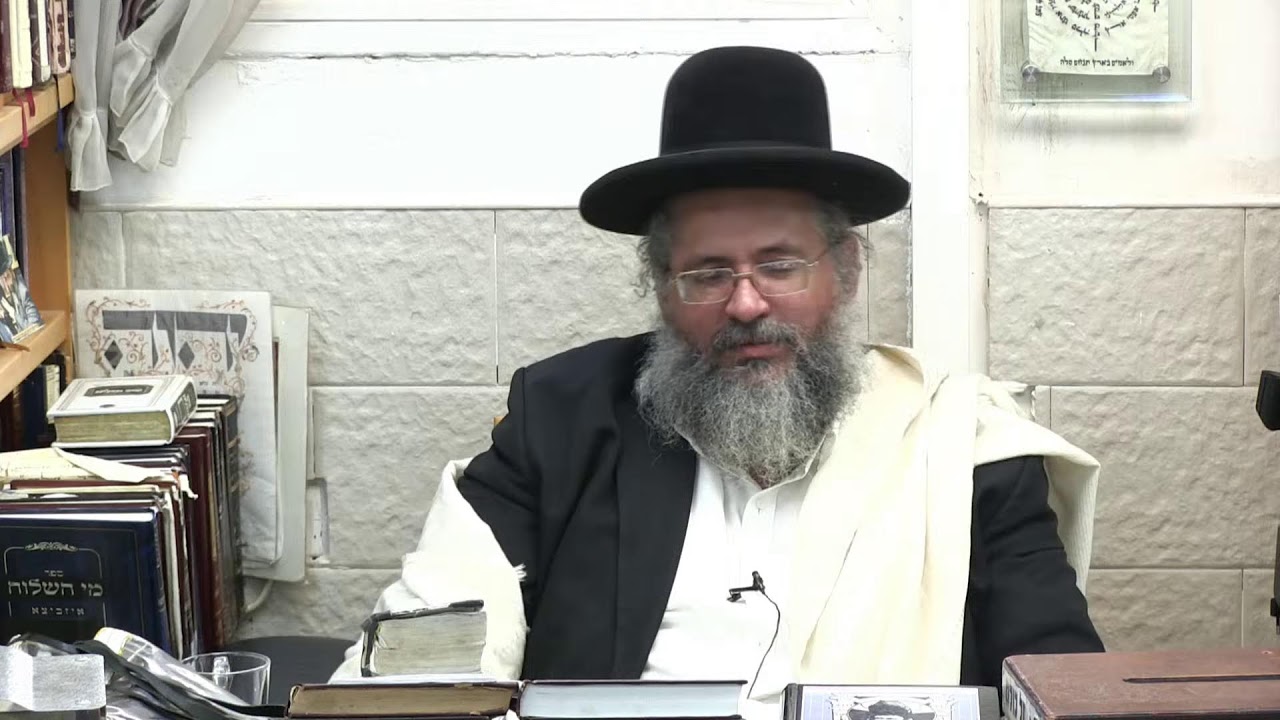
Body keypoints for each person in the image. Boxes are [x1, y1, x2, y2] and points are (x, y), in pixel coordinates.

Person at [331, 46, 1104, 713]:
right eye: (706, 274)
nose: (746, 303)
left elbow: (1057, 683)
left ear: (844, 270)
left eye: (780, 265)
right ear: (661, 287)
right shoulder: (562, 420)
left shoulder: (963, 450)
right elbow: (429, 640)